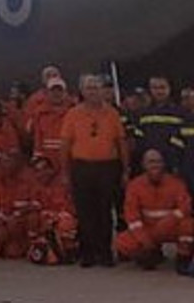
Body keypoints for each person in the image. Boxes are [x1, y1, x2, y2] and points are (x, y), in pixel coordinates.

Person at [60, 73, 131, 268]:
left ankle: (105, 252)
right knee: (85, 212)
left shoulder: (112, 114)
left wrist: (125, 169)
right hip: (81, 167)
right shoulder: (73, 114)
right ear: (82, 91)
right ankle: (88, 253)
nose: (93, 91)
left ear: (103, 90)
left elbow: (121, 142)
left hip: (107, 167)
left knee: (105, 211)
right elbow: (65, 145)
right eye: (89, 88)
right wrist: (65, 173)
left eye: (96, 87)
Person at [115, 148, 194, 271]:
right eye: (151, 162)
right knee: (122, 242)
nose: (155, 165)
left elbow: (186, 207)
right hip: (147, 230)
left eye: (158, 161)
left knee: (189, 225)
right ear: (143, 164)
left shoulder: (176, 183)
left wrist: (170, 220)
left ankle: (183, 257)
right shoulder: (135, 185)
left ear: (164, 164)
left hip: (171, 227)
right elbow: (132, 216)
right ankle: (150, 255)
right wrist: (143, 239)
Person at [24, 155, 78, 266]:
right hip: (44, 221)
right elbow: (34, 207)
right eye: (37, 171)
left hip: (61, 219)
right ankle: (36, 246)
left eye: (44, 170)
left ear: (51, 170)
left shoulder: (62, 185)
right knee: (31, 218)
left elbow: (68, 209)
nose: (41, 174)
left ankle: (69, 250)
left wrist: (53, 218)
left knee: (66, 222)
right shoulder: (35, 187)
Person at [134, 76, 184, 174]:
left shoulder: (180, 113)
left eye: (162, 87)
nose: (159, 91)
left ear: (169, 89)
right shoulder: (142, 113)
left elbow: (181, 140)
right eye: (155, 88)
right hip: (148, 165)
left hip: (171, 165)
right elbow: (139, 140)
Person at [25, 74, 71, 170]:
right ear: (47, 93)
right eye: (53, 91)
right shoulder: (39, 113)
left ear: (65, 93)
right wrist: (38, 159)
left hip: (69, 160)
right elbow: (37, 139)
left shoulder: (73, 113)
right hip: (47, 162)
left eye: (59, 90)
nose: (56, 94)